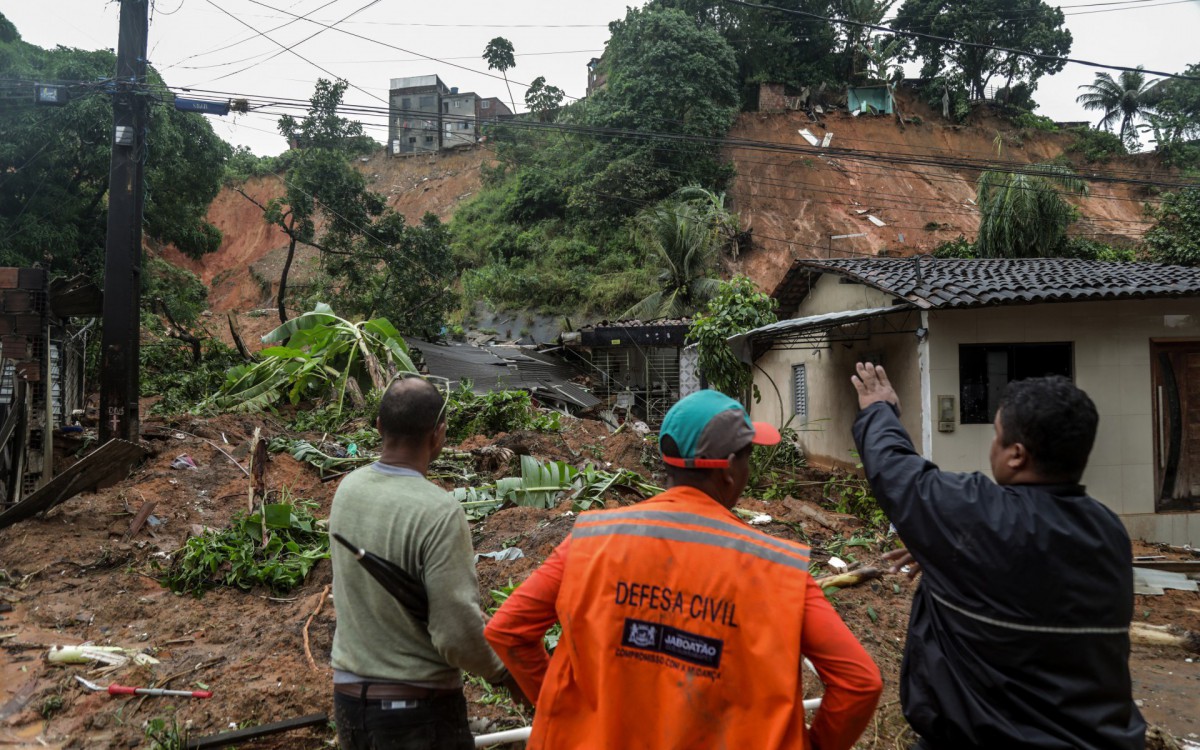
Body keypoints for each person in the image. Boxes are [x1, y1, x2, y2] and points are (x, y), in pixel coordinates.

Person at [485, 389, 883, 750]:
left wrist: (560, 705)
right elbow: (859, 683)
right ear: (727, 468)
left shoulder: (589, 541)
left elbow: (508, 630)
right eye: (749, 458)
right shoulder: (778, 569)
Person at [850, 363, 1146, 750]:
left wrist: (878, 409)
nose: (992, 445)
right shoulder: (1106, 531)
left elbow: (895, 471)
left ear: (1017, 455)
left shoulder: (976, 514)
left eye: (997, 436)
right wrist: (952, 558)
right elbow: (1030, 579)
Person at [329, 376, 516, 750]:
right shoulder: (438, 511)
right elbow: (456, 632)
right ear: (439, 435)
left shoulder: (347, 490)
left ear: (379, 426)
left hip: (350, 703)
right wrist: (505, 674)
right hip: (416, 713)